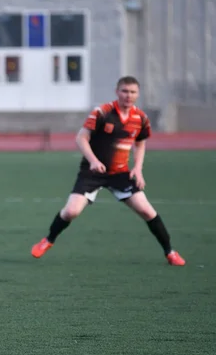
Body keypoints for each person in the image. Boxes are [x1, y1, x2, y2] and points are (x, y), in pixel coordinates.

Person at [31, 76, 185, 266]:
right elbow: (81, 138)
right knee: (71, 211)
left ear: (138, 94)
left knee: (147, 211)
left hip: (120, 174)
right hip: (92, 172)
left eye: (133, 92)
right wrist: (94, 161)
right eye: (125, 91)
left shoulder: (141, 118)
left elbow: (140, 144)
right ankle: (48, 240)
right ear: (117, 92)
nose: (128, 96)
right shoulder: (102, 112)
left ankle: (170, 252)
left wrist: (138, 168)